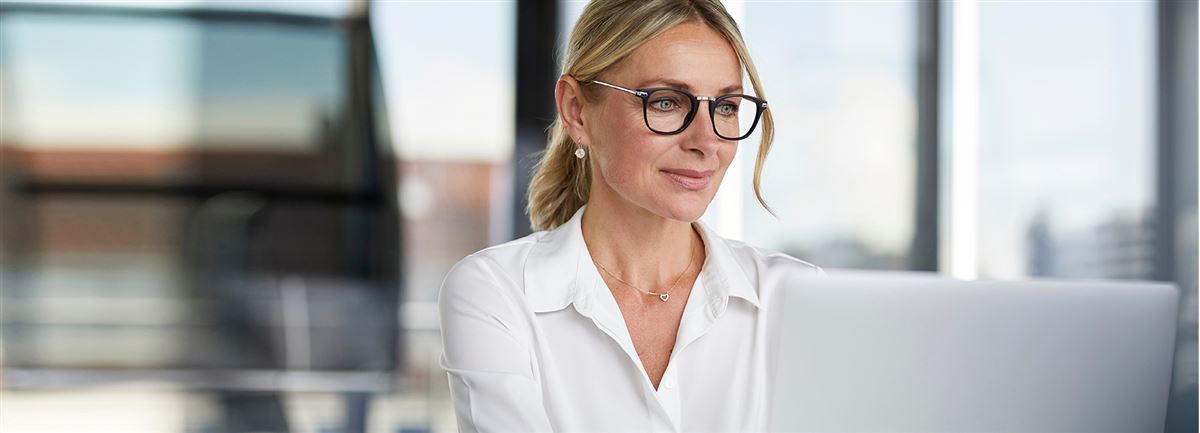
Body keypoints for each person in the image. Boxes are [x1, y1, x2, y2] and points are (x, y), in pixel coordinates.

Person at [438, 1, 821, 431]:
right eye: (666, 103)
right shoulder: (499, 293)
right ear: (576, 111)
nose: (706, 140)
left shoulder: (797, 300)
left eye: (727, 107)